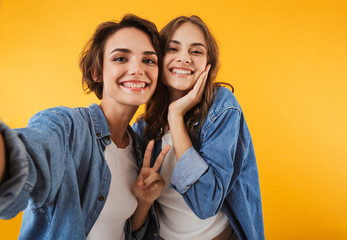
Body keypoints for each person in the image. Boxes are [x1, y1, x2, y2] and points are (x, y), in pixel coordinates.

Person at [0, 14, 171, 240]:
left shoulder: (141, 149)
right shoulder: (67, 127)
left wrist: (144, 202)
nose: (138, 69)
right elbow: (31, 150)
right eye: (120, 58)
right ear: (96, 72)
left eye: (149, 60)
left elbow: (126, 228)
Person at [133, 15, 264, 240]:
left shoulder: (222, 106)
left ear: (208, 64)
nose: (184, 58)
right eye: (173, 49)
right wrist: (144, 201)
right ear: (158, 57)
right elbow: (134, 221)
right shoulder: (143, 129)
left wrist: (175, 115)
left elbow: (206, 202)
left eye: (196, 51)